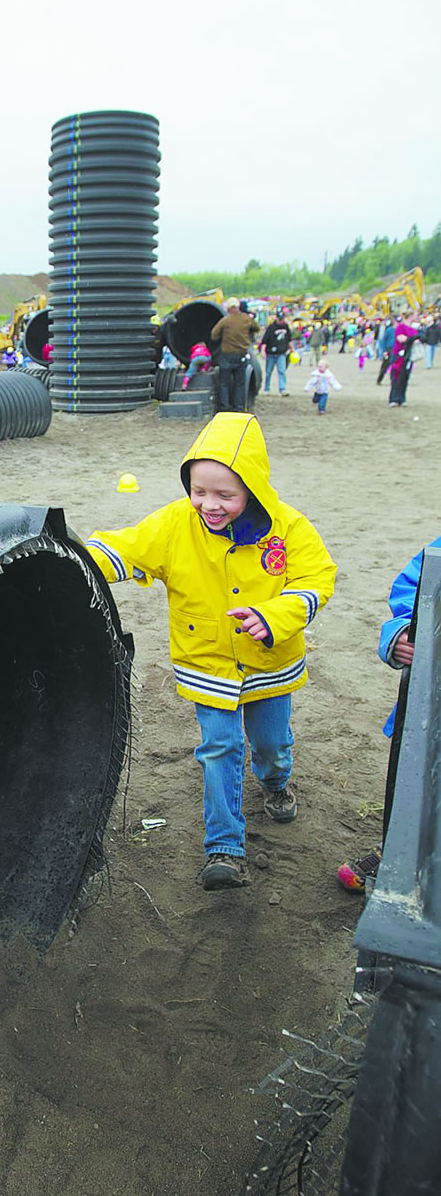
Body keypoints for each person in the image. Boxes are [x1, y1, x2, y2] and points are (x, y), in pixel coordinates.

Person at [84, 412, 337, 892]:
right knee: (220, 747)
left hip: (270, 661)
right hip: (207, 662)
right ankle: (225, 847)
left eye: (225, 495)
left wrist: (276, 615)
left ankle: (276, 780)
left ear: (255, 489)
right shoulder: (177, 523)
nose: (209, 505)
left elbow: (317, 578)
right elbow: (126, 550)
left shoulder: (288, 527)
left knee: (271, 742)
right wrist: (78, 557)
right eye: (199, 490)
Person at [338, 534, 441, 893]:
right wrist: (401, 634)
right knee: (419, 778)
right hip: (435, 702)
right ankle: (400, 849)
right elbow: (414, 586)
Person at [210, 297, 259, 411]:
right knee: (240, 383)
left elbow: (214, 335)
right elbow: (256, 328)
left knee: (224, 383)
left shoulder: (225, 321)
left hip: (227, 356)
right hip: (242, 355)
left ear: (228, 308)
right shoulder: (246, 319)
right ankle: (239, 407)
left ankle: (225, 407)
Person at [260, 308, 291, 396]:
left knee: (282, 371)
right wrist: (263, 351)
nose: (281, 321)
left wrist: (292, 350)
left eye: (282, 319)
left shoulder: (286, 327)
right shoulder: (271, 327)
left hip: (281, 353)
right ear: (276, 318)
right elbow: (264, 341)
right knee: (269, 372)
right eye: (280, 319)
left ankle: (282, 389)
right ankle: (266, 388)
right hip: (271, 353)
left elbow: (289, 340)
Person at [388, 321, 418, 407]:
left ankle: (402, 398)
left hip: (408, 355)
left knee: (405, 377)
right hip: (399, 355)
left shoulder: (413, 328)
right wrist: (411, 339)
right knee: (396, 376)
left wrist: (410, 339)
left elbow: (416, 341)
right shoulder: (400, 327)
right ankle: (394, 398)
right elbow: (400, 339)